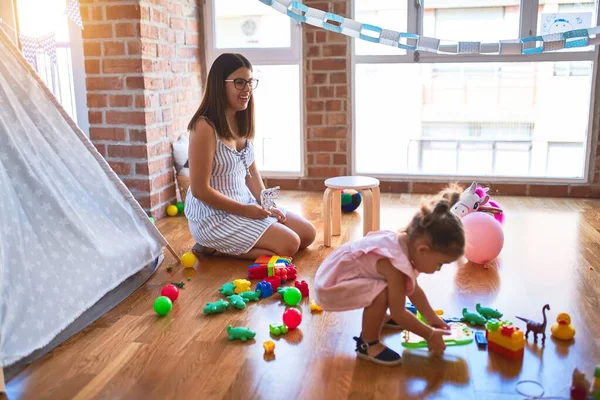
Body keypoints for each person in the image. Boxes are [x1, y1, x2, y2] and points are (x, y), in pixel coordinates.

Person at [185, 53, 316, 260]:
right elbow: (200, 191)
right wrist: (246, 211)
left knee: (307, 234)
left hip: (245, 204)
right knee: (290, 245)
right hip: (213, 216)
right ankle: (210, 247)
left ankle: (242, 241)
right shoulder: (204, 127)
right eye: (239, 82)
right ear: (220, 85)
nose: (247, 89)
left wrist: (266, 206)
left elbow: (251, 174)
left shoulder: (241, 121)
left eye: (249, 82)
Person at [313, 189, 465, 366]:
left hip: (339, 270)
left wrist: (432, 319)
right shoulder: (395, 266)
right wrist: (429, 335)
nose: (439, 270)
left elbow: (414, 290)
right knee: (383, 293)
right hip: (331, 285)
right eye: (440, 264)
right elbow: (399, 313)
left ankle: (379, 317)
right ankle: (368, 344)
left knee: (390, 290)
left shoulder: (405, 244)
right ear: (423, 249)